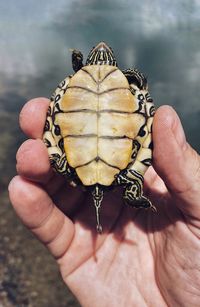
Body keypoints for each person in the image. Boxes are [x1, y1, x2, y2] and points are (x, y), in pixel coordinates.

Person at [8, 97, 200, 306]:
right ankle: (132, 193)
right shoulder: (128, 87)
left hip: (80, 168)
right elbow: (141, 99)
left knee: (50, 157)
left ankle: (126, 190)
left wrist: (68, 167)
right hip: (114, 169)